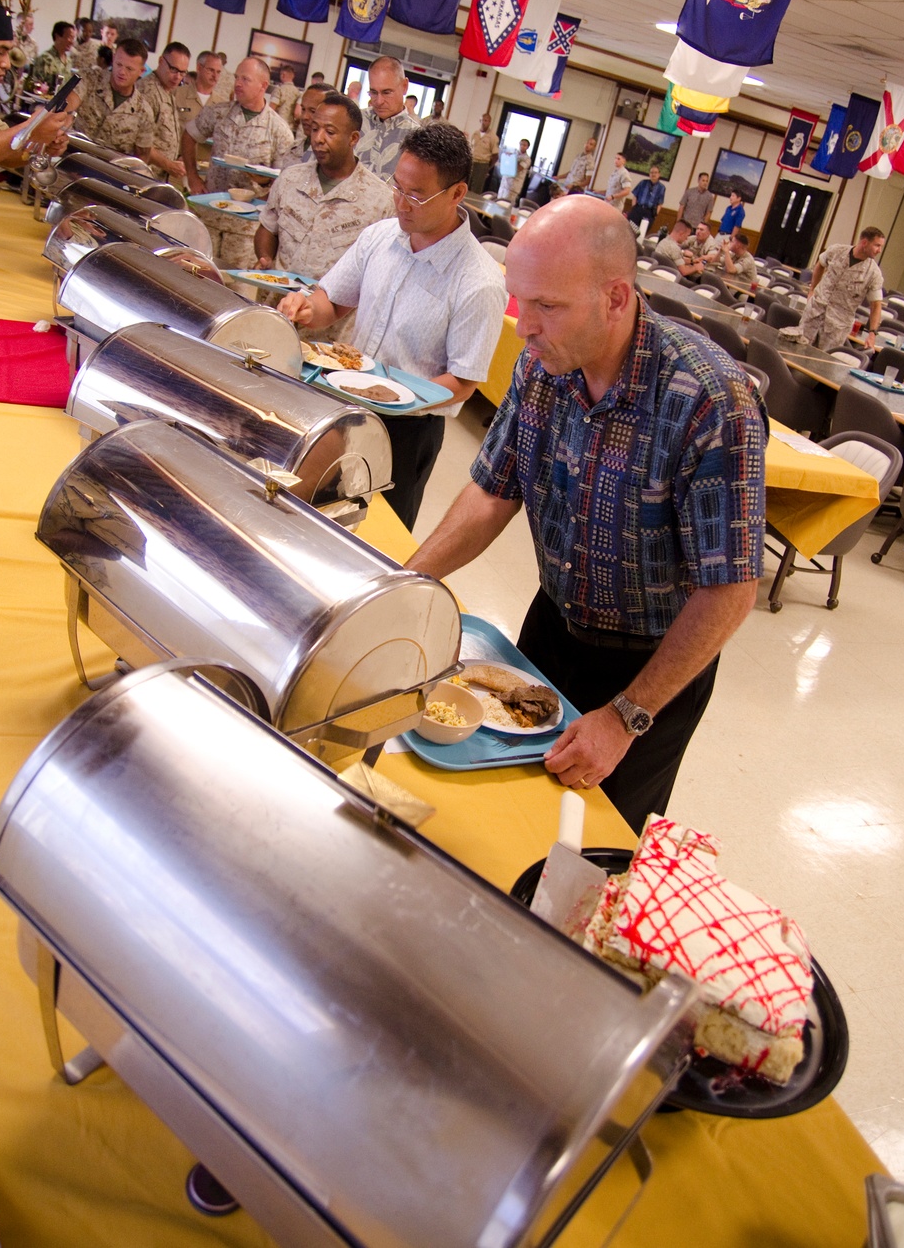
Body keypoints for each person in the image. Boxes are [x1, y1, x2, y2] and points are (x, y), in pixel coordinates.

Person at [405, 196, 766, 831]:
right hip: (553, 627)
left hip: (652, 664)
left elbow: (729, 589)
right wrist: (409, 583)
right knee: (515, 813)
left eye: (547, 306)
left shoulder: (709, 399)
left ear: (617, 298)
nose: (524, 327)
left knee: (595, 841)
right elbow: (494, 490)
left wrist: (627, 715)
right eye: (523, 301)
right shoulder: (544, 365)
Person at [278, 124, 506, 530]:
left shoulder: (480, 280)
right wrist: (306, 308)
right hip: (344, 405)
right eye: (397, 186)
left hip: (407, 431)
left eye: (416, 194)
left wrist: (395, 400)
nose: (400, 203)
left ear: (457, 193)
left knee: (376, 536)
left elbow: (464, 381)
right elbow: (333, 301)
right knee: (312, 517)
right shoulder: (380, 238)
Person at [0, 0, 73, 236]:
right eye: (0, 51)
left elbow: (2, 152)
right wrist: (29, 130)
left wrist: (42, 142)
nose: (7, 63)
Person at [253, 92, 393, 288]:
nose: (318, 138)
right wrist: (265, 258)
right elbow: (268, 229)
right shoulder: (290, 179)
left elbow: (379, 271)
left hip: (331, 315)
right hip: (277, 305)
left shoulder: (380, 201)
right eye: (315, 129)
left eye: (330, 132)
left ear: (353, 138)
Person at [181, 56, 295, 269]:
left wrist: (263, 184)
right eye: (236, 77)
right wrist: (193, 177)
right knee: (192, 277)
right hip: (208, 218)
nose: (238, 83)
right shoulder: (218, 112)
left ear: (263, 86)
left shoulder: (279, 130)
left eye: (245, 79)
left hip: (244, 231)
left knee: (234, 291)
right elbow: (189, 136)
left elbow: (285, 182)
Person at [799, 227, 885, 353]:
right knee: (797, 351)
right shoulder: (836, 251)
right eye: (877, 245)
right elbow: (820, 265)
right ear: (865, 242)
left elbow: (876, 305)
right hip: (813, 314)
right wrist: (812, 289)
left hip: (836, 326)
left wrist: (872, 333)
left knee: (821, 362)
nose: (879, 250)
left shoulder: (873, 273)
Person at [74, 37, 155, 156]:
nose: (122, 72)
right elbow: (66, 109)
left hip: (109, 171)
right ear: (113, 59)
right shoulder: (89, 80)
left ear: (141, 71)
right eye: (119, 64)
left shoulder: (143, 111)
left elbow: (141, 158)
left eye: (129, 69)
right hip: (73, 159)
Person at [355, 55, 420, 180]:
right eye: (373, 92)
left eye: (386, 92)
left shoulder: (417, 137)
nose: (379, 101)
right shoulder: (354, 121)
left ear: (404, 86)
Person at [139, 41, 190, 183]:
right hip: (143, 176)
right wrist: (168, 165)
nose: (177, 77)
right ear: (161, 61)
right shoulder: (148, 91)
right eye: (173, 69)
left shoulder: (168, 90)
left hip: (159, 178)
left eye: (182, 72)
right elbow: (139, 142)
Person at [173, 49, 224, 173]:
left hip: (205, 172)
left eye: (218, 72)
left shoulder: (222, 105)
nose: (215, 76)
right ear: (199, 68)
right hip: (178, 167)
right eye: (211, 70)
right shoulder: (177, 94)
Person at [287, 81, 335, 163]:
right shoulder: (293, 148)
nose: (305, 117)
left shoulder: (333, 156)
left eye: (313, 111)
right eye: (303, 109)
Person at [27, 21, 75, 94]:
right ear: (57, 37)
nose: (72, 42)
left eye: (73, 38)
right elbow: (36, 86)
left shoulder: (69, 61)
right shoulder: (44, 59)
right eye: (69, 37)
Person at [467, 111, 500, 193]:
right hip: (472, 161)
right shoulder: (475, 133)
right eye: (483, 120)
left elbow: (495, 156)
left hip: (482, 163)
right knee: (466, 184)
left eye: (486, 121)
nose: (484, 122)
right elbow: (471, 147)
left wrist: (487, 168)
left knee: (476, 188)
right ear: (480, 120)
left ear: (489, 122)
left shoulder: (493, 137)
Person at [628, 165, 666, 234]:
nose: (653, 174)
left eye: (655, 172)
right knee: (629, 229)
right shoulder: (643, 183)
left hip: (649, 213)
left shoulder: (661, 187)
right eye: (651, 172)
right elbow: (635, 196)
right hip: (638, 209)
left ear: (659, 174)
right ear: (649, 174)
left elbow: (660, 203)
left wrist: (655, 215)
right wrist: (634, 208)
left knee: (641, 233)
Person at [498, 137, 531, 203]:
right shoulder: (514, 153)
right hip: (505, 183)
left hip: (513, 185)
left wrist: (511, 160)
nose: (522, 146)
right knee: (499, 201)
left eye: (524, 145)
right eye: (521, 144)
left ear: (527, 147)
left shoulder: (527, 159)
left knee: (506, 204)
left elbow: (519, 168)